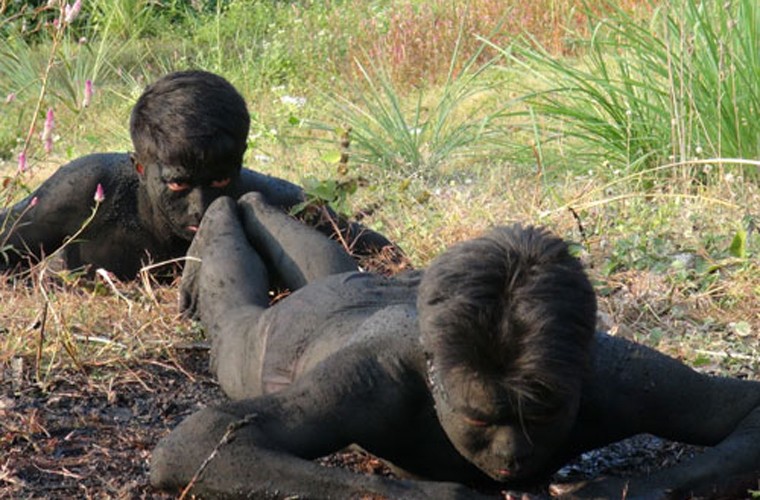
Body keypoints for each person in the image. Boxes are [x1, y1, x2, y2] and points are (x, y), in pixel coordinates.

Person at [150, 193, 760, 499]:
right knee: (235, 321)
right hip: (305, 332)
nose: (513, 452)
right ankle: (226, 213)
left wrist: (662, 489)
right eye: (479, 418)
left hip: (381, 294)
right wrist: (394, 495)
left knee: (350, 280)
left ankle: (259, 204)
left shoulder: (602, 369)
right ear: (434, 374)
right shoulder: (377, 377)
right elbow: (187, 451)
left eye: (540, 415)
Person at [0, 70, 402, 280]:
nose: (202, 206)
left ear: (238, 165)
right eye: (178, 184)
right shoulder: (92, 189)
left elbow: (385, 257)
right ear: (141, 168)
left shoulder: (266, 199)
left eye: (220, 183)